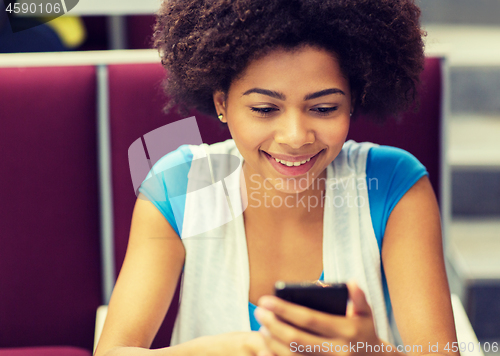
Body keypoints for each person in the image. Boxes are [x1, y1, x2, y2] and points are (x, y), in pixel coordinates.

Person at [94, 1, 460, 355]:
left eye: (323, 108)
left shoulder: (396, 184)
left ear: (353, 100)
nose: (296, 136)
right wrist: (228, 350)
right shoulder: (178, 185)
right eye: (265, 109)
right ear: (222, 103)